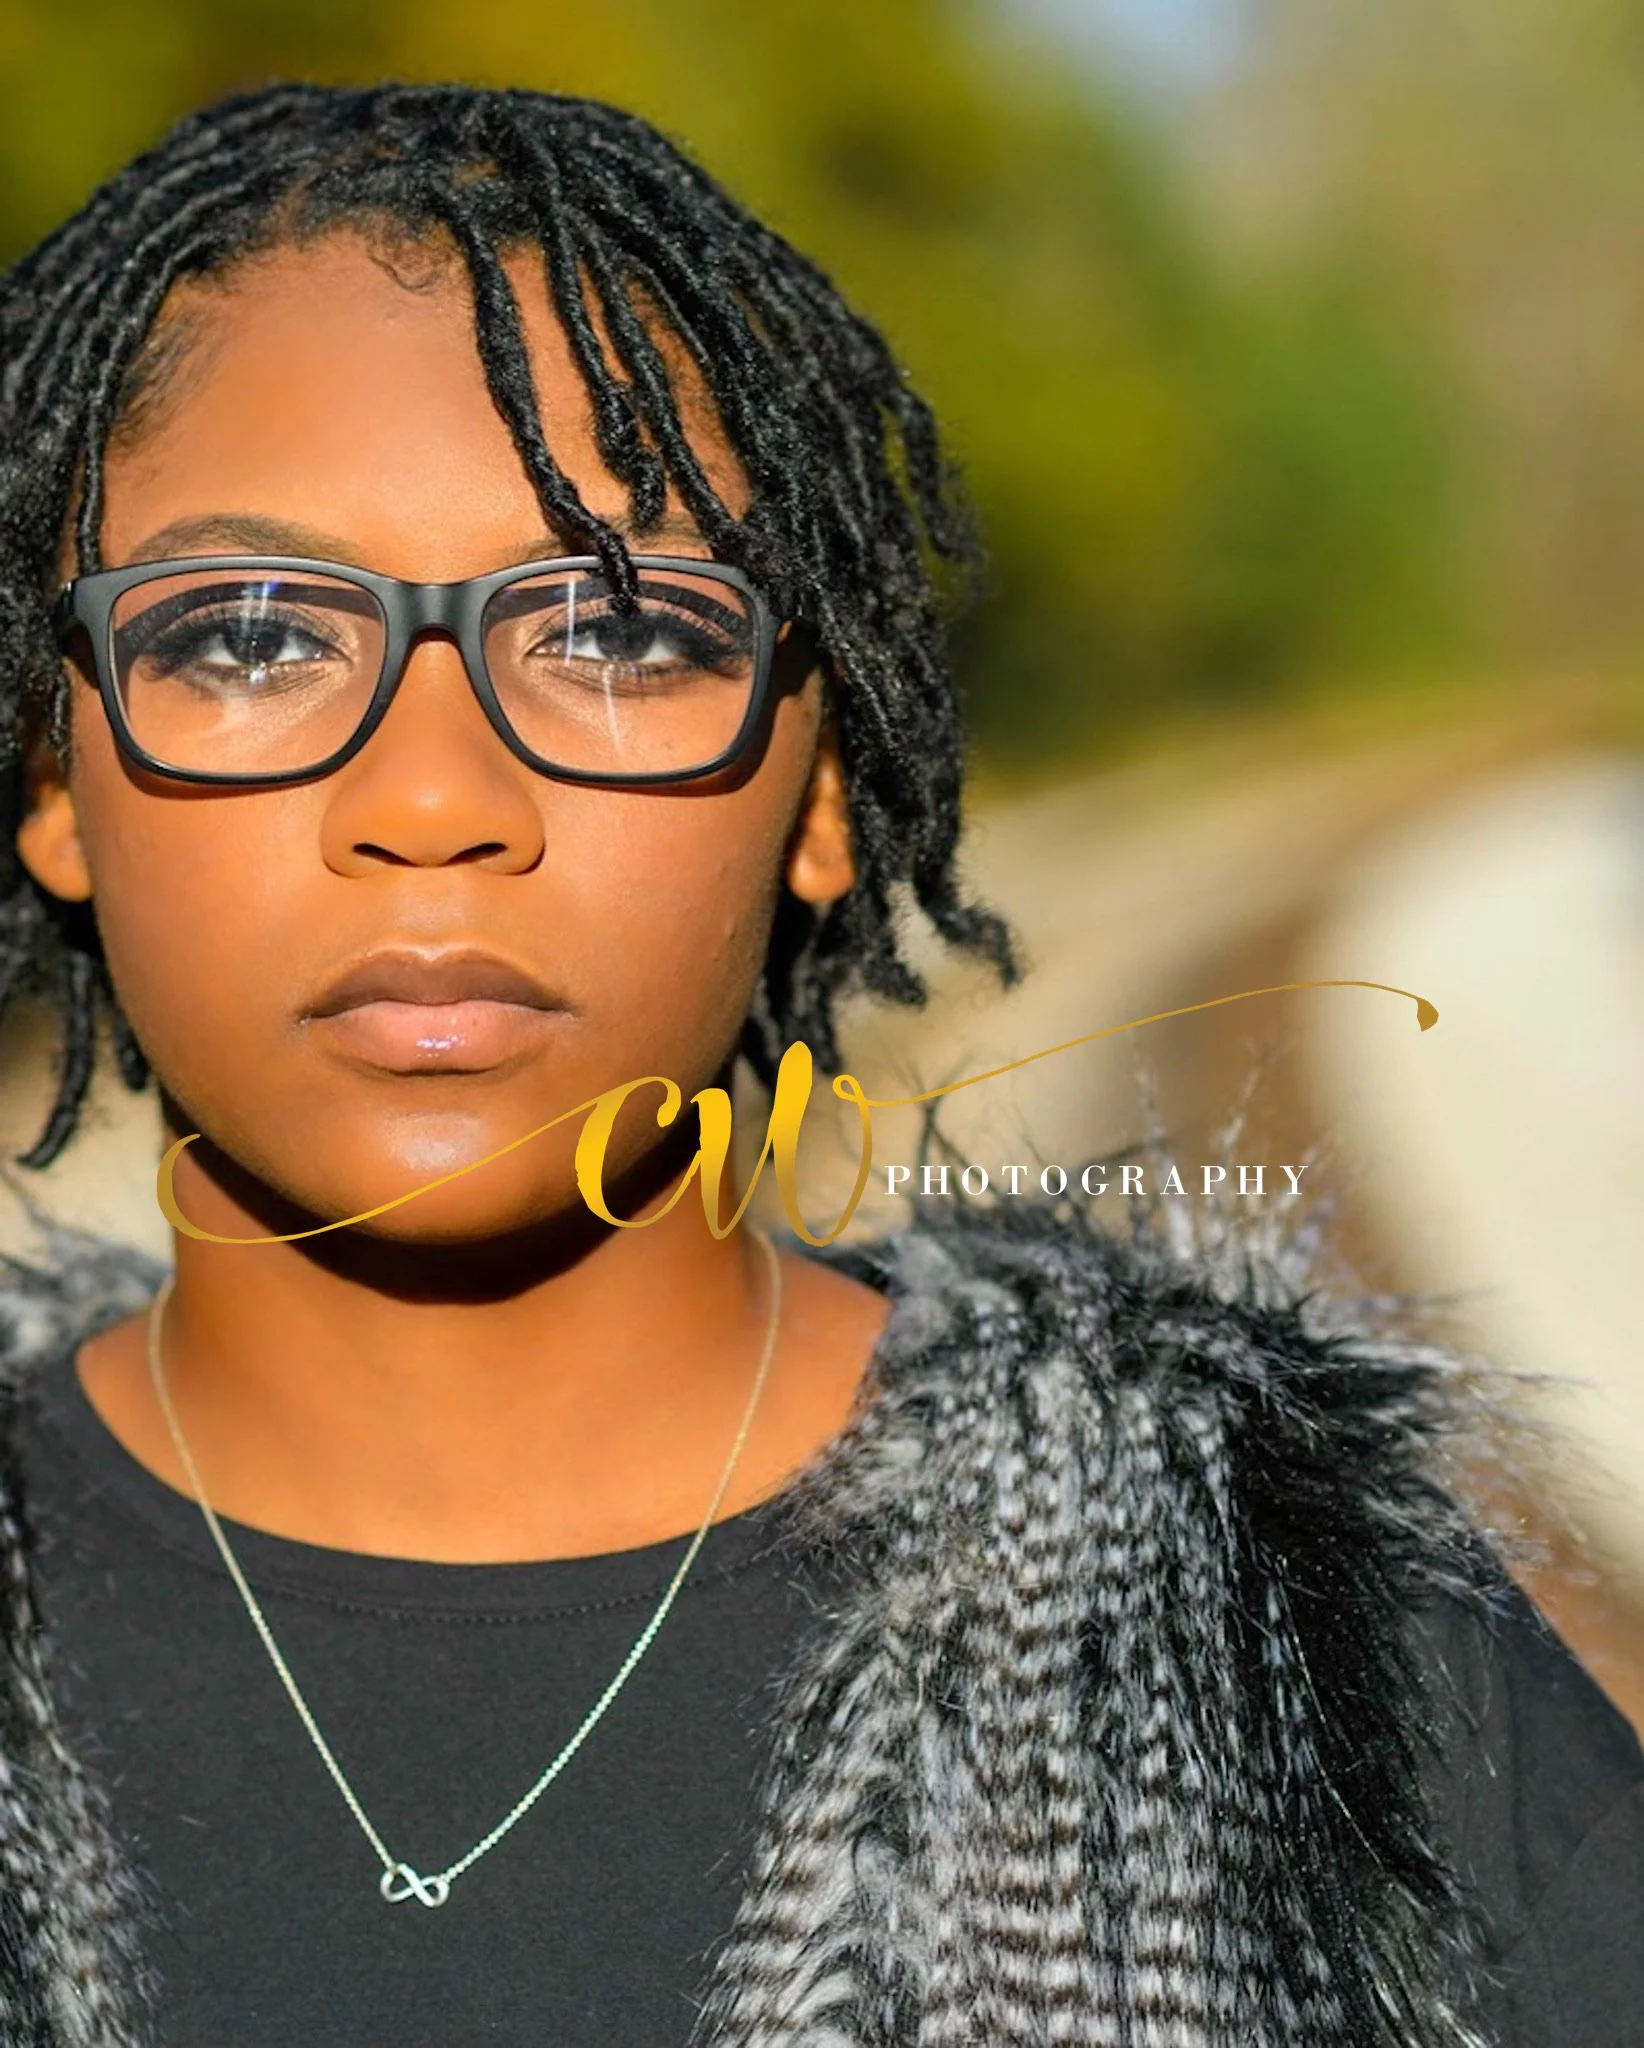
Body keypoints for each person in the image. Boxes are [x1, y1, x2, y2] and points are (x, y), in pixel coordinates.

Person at [0, 80, 1635, 2048]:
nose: (430, 799)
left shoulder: (1315, 1642)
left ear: (825, 795)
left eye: (620, 633)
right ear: (54, 776)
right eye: (250, 636)